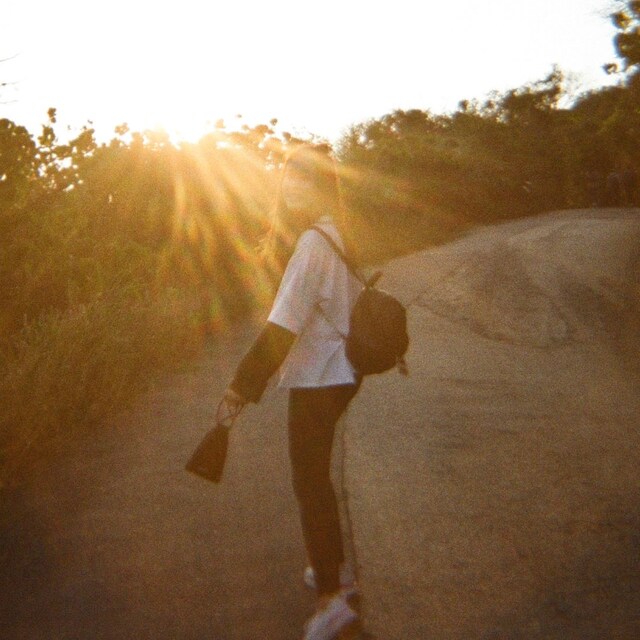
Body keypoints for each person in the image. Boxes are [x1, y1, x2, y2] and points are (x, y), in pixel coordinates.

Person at [222, 144, 363, 640]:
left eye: (306, 179)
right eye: (291, 177)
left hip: (320, 376)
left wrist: (241, 386)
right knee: (316, 478)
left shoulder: (312, 244)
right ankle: (337, 572)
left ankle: (331, 601)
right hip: (340, 372)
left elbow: (283, 326)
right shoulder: (336, 232)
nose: (293, 187)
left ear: (323, 186)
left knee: (309, 484)